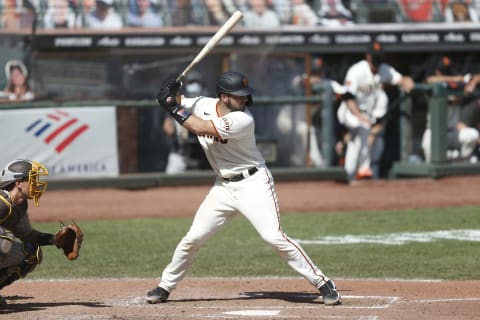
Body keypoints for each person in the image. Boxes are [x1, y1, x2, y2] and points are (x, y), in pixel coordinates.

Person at [145, 71, 341, 305]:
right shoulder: (203, 104)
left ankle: (323, 283)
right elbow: (176, 101)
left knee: (274, 237)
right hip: (223, 188)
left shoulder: (243, 119)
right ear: (223, 97)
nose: (245, 100)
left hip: (253, 184)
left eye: (246, 95)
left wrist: (172, 108)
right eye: (239, 96)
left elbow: (199, 127)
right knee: (192, 239)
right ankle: (165, 286)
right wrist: (168, 94)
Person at [337, 41, 414, 181]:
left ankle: (367, 177)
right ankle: (351, 174)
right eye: (374, 58)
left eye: (379, 58)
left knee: (376, 145)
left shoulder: (384, 70)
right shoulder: (357, 70)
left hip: (368, 115)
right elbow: (348, 98)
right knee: (361, 135)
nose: (377, 62)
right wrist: (360, 117)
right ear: (368, 56)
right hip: (350, 111)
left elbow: (402, 79)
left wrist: (408, 82)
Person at [0, 160, 55, 305]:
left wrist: (54, 240)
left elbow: (28, 236)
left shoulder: (20, 205)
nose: (36, 184)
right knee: (4, 240)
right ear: (18, 183)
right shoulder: (1, 202)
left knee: (31, 253)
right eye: (32, 179)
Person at [421, 55, 480, 163]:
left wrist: (471, 82)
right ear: (438, 72)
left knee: (472, 135)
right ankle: (451, 157)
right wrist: (455, 79)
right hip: (433, 132)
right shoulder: (433, 85)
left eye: (448, 71)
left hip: (453, 132)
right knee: (428, 149)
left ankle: (459, 159)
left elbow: (472, 80)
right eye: (444, 72)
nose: (446, 74)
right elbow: (429, 80)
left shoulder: (459, 86)